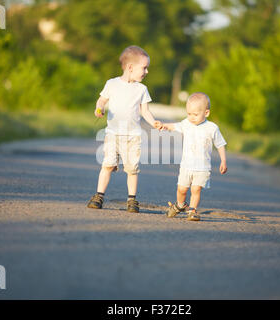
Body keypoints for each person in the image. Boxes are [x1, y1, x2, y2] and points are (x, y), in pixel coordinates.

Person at [87, 45, 162, 213]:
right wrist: (99, 108)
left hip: (133, 137)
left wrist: (154, 123)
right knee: (107, 165)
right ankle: (99, 196)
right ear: (130, 67)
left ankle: (131, 200)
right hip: (113, 134)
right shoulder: (112, 84)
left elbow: (145, 111)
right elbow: (101, 100)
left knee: (132, 169)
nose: (147, 71)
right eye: (144, 68)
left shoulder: (142, 89)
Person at [161, 92, 227, 221]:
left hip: (202, 167)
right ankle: (180, 205)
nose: (191, 117)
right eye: (189, 114)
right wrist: (164, 126)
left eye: (195, 115)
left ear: (206, 113)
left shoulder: (212, 128)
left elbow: (220, 144)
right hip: (186, 166)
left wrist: (223, 160)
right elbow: (174, 126)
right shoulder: (186, 123)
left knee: (196, 189)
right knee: (181, 189)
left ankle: (192, 210)